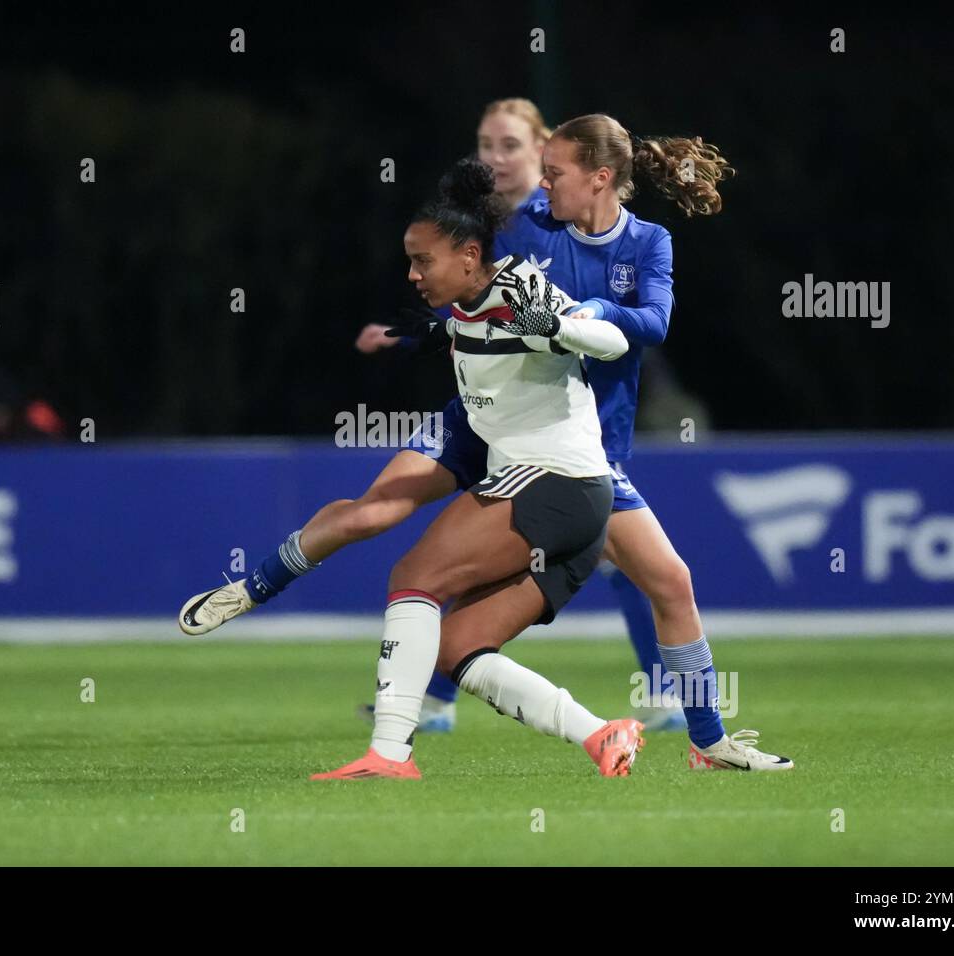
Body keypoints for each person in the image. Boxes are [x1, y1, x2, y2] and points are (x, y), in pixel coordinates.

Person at [182, 112, 794, 772]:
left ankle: (705, 741)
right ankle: (257, 588)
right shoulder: (523, 221)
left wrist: (586, 316)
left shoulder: (644, 244)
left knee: (668, 583)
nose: (512, 168)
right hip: (484, 416)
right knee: (375, 512)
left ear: (598, 176)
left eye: (529, 157)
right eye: (491, 149)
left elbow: (652, 323)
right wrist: (410, 331)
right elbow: (459, 278)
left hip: (569, 442)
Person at [307, 158, 642, 778]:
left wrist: (559, 326)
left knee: (414, 576)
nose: (411, 274)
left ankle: (389, 754)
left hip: (552, 482)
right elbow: (483, 331)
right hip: (576, 507)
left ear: (468, 255)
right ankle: (602, 735)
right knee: (458, 648)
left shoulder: (519, 287)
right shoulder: (475, 303)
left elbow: (616, 344)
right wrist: (440, 332)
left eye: (422, 261)